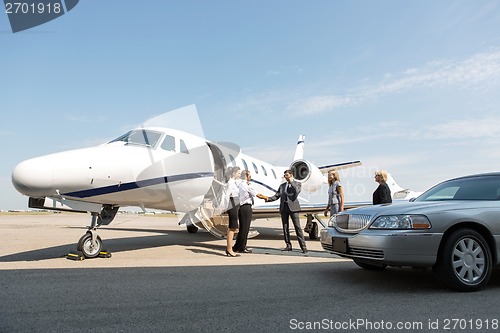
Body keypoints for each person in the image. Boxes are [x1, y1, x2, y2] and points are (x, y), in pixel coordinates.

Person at [258, 169, 308, 254]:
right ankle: (288, 245)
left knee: (297, 227)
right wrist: (266, 198)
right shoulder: (282, 186)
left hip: (293, 208)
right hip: (284, 208)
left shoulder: (297, 184)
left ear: (291, 175)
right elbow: (276, 196)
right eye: (285, 175)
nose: (285, 177)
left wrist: (291, 182)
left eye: (287, 175)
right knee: (285, 228)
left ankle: (303, 247)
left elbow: (296, 191)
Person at [233, 170, 260, 253]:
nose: (250, 177)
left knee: (242, 228)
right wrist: (267, 198)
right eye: (249, 175)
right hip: (246, 208)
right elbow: (257, 194)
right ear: (246, 176)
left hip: (241, 207)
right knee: (245, 229)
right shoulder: (246, 185)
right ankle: (241, 247)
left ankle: (237, 246)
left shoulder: (238, 184)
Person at [225, 166, 241, 257]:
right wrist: (226, 207)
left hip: (235, 203)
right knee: (232, 227)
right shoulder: (230, 183)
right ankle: (229, 249)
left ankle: (229, 249)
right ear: (234, 173)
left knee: (233, 227)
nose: (239, 175)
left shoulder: (234, 182)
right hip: (232, 204)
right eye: (238, 173)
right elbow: (227, 195)